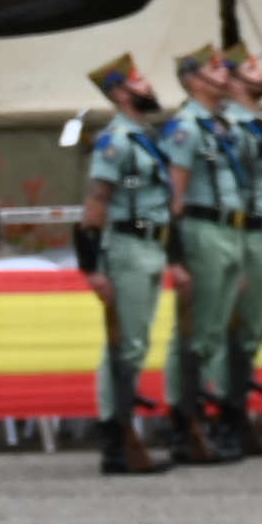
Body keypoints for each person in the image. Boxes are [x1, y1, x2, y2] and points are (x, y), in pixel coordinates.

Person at [159, 45, 262, 463]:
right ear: (195, 82)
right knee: (192, 335)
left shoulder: (220, 127)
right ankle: (183, 426)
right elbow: (172, 195)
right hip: (200, 231)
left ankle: (205, 423)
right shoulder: (186, 128)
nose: (226, 74)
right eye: (214, 69)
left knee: (210, 335)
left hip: (229, 233)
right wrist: (175, 256)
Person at [76, 57, 180, 474]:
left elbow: (135, 203)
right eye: (139, 81)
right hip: (128, 251)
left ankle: (121, 435)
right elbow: (96, 204)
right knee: (125, 346)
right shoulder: (116, 141)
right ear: (121, 93)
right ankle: (116, 439)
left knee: (134, 343)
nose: (149, 86)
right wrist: (92, 267)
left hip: (148, 247)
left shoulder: (144, 139)